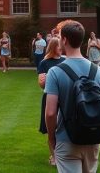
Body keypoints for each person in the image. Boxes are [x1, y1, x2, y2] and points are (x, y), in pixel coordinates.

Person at [45, 20, 100, 173]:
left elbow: (50, 112)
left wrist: (51, 137)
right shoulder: (98, 71)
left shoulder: (55, 72)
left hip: (67, 138)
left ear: (65, 40)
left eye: (60, 37)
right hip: (93, 138)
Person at [37, 37, 65, 166]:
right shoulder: (45, 62)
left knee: (62, 127)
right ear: (53, 47)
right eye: (59, 47)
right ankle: (54, 156)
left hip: (64, 98)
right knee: (51, 129)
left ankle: (60, 154)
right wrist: (46, 79)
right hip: (49, 97)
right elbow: (41, 84)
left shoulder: (65, 60)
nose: (61, 49)